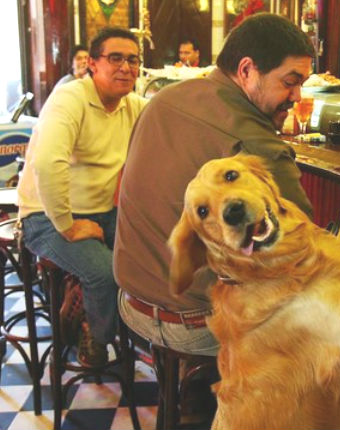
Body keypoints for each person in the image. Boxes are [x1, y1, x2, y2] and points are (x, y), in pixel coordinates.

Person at [114, 13, 314, 359]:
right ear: (247, 71)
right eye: (290, 81)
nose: (297, 95)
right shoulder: (256, 145)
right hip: (191, 325)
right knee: (316, 325)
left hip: (130, 301)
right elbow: (303, 245)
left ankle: (192, 401)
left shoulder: (162, 99)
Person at [17, 27, 148, 367]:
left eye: (132, 60)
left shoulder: (133, 106)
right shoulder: (70, 98)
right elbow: (47, 164)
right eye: (115, 58)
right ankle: (95, 340)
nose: (125, 67)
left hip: (102, 212)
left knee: (150, 254)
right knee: (105, 272)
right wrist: (68, 226)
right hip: (45, 216)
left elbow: (173, 120)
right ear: (92, 64)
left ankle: (128, 328)